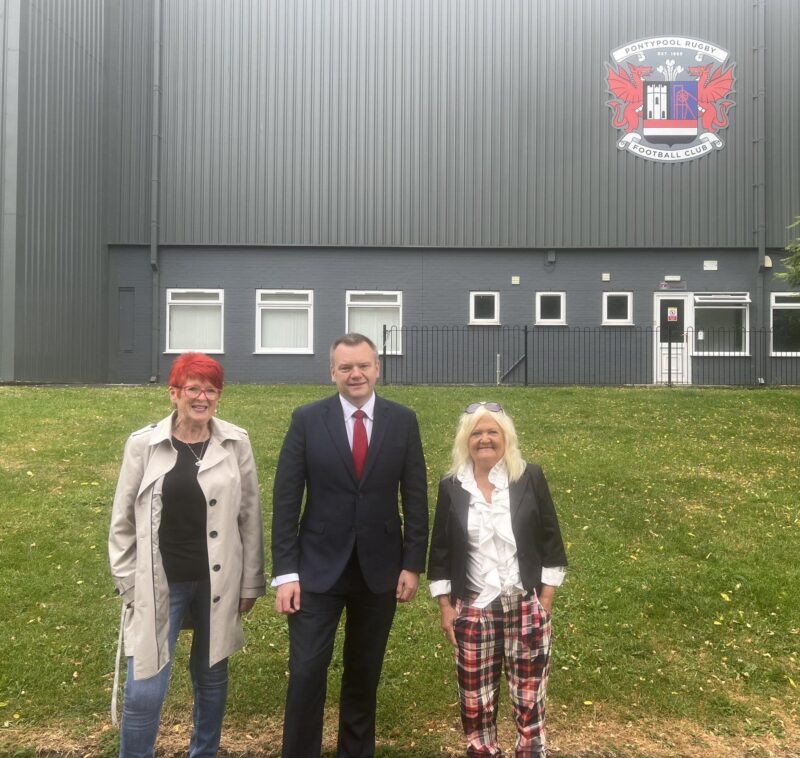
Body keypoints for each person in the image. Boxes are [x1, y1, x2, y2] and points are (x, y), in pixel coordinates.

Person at [271, 333, 429, 757]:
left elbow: (415, 495)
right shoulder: (306, 419)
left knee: (363, 675)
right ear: (332, 373)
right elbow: (286, 499)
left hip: (380, 570)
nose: (355, 374)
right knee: (306, 672)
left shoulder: (403, 420)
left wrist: (412, 563)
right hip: (315, 570)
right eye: (346, 367)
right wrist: (285, 573)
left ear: (377, 368)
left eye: (363, 365)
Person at [108, 352, 265, 758]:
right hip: (158, 581)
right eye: (193, 388)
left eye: (211, 389)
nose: (202, 397)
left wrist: (250, 582)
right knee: (144, 685)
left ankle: (204, 752)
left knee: (211, 679)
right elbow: (122, 519)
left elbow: (250, 517)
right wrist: (128, 582)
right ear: (173, 393)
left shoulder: (235, 443)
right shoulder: (143, 445)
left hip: (218, 581)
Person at [427, 402, 567, 758]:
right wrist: (445, 605)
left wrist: (545, 599)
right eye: (476, 432)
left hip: (525, 604)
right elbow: (440, 549)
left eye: (493, 432)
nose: (485, 439)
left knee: (530, 698)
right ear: (465, 440)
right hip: (474, 607)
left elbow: (551, 538)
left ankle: (530, 752)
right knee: (475, 700)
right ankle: (481, 750)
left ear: (506, 439)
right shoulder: (452, 486)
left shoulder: (529, 477)